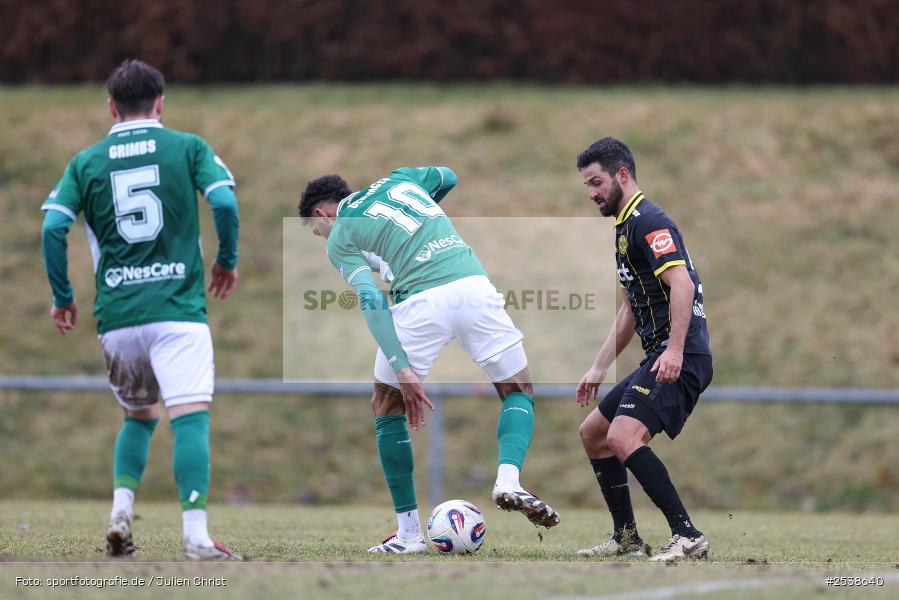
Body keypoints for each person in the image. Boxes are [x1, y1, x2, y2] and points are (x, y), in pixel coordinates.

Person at [298, 167, 560, 553]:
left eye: (314, 230)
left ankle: (408, 534)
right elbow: (450, 176)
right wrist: (419, 224)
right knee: (518, 390)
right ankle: (508, 480)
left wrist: (401, 367)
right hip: (472, 284)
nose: (320, 237)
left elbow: (371, 298)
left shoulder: (339, 235)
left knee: (386, 404)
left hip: (421, 301)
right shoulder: (402, 179)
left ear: (322, 215)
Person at [40, 60, 241, 560]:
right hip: (177, 310)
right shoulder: (188, 147)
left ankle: (120, 511)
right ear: (161, 103)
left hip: (119, 318)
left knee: (139, 415)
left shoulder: (85, 162)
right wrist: (226, 261)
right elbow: (225, 204)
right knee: (188, 415)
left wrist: (63, 296)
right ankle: (195, 536)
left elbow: (51, 229)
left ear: (111, 106)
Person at [574, 137, 713, 562]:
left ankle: (687, 535)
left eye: (597, 182)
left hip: (682, 356)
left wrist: (673, 350)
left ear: (622, 175)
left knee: (622, 434)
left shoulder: (649, 221)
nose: (592, 193)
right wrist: (599, 368)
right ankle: (627, 537)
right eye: (587, 186)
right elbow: (631, 311)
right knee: (594, 432)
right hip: (659, 354)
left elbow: (683, 285)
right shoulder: (624, 227)